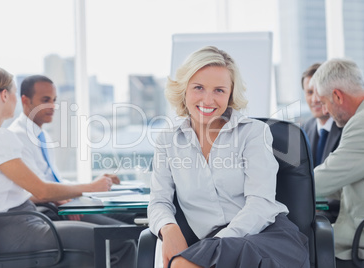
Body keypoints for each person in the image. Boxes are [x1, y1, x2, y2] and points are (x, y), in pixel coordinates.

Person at [148, 46, 309, 268]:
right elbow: (159, 201)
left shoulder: (253, 132)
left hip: (265, 236)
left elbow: (260, 203)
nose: (208, 99)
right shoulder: (168, 140)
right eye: (198, 87)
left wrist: (214, 246)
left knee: (183, 265)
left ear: (231, 94)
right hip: (211, 244)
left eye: (219, 90)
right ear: (183, 89)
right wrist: (168, 227)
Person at [0, 67, 136, 267]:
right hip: (18, 229)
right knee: (121, 240)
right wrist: (90, 187)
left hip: (17, 223)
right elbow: (42, 190)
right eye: (12, 93)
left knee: (113, 238)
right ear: (5, 95)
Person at [8, 74, 136, 225]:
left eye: (54, 100)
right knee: (123, 232)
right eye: (45, 100)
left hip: (64, 204)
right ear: (25, 101)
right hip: (50, 212)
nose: (52, 106)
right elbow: (35, 190)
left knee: (134, 219)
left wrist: (94, 184)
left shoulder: (43, 136)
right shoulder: (16, 137)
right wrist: (82, 191)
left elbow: (55, 180)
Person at [311, 58, 364, 266]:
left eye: (324, 102)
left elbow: (327, 177)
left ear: (337, 96)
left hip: (355, 246)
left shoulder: (360, 124)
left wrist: (284, 187)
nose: (325, 111)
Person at [301, 63, 342, 223]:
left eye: (318, 92)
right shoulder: (304, 128)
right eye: (309, 92)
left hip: (337, 215)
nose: (315, 99)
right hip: (307, 211)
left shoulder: (347, 128)